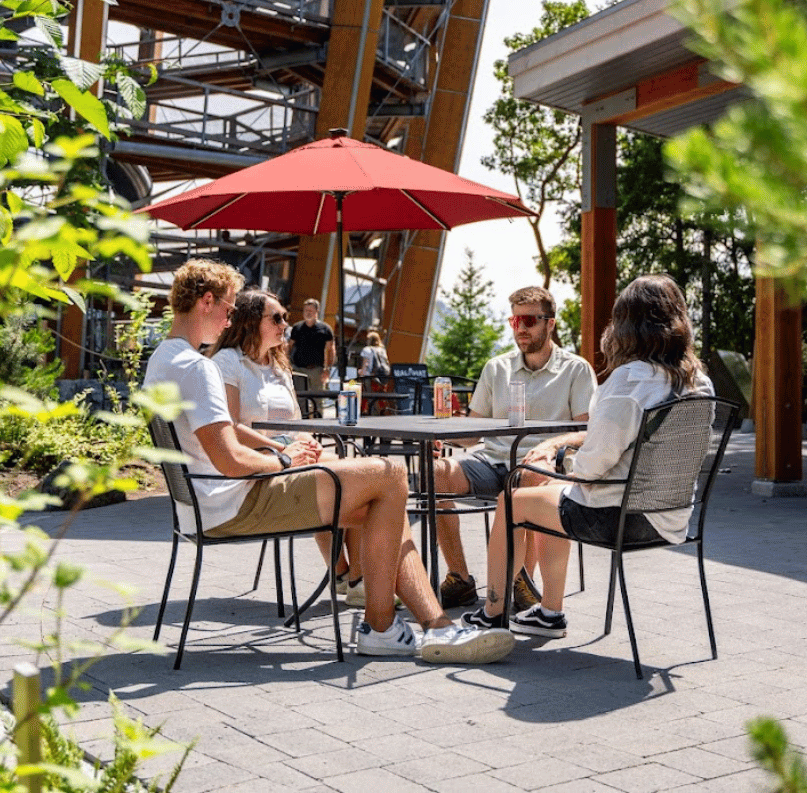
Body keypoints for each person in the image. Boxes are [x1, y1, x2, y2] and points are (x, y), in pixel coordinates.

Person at [143, 259, 514, 664]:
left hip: (210, 502)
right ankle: (384, 627)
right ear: (207, 301)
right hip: (234, 502)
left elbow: (222, 450)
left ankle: (432, 626)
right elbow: (230, 459)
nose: (230, 320)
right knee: (388, 474)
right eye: (230, 309)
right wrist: (285, 461)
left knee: (384, 499)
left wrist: (284, 456)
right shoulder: (198, 367)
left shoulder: (164, 359)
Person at [462, 274, 715, 638]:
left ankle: (494, 613)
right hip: (673, 518)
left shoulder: (629, 382)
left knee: (513, 502)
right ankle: (546, 612)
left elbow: (590, 472)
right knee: (551, 494)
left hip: (619, 518)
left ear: (626, 326)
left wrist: (558, 460)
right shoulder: (698, 382)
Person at [432, 285, 596, 609]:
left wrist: (551, 446)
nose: (520, 328)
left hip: (540, 464)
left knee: (530, 482)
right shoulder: (497, 367)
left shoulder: (576, 369)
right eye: (515, 320)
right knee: (434, 475)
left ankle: (523, 581)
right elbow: (473, 431)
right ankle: (460, 578)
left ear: (550, 323)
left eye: (529, 320)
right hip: (492, 459)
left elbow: (588, 430)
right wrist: (443, 434)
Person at [209, 289, 366, 607]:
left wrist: (305, 441)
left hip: (288, 455)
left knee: (359, 468)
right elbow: (232, 427)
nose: (285, 324)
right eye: (277, 318)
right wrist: (282, 451)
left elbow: (295, 421)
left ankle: (350, 577)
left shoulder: (279, 365)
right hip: (258, 465)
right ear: (251, 322)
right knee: (356, 480)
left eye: (286, 317)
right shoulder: (227, 362)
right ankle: (355, 578)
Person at [287, 299, 335, 391]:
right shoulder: (297, 327)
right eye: (306, 310)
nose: (308, 313)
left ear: (316, 312)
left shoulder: (325, 329)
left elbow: (330, 350)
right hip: (298, 369)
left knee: (317, 400)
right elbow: (289, 346)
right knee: (298, 398)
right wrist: (287, 364)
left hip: (316, 370)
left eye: (310, 311)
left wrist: (328, 369)